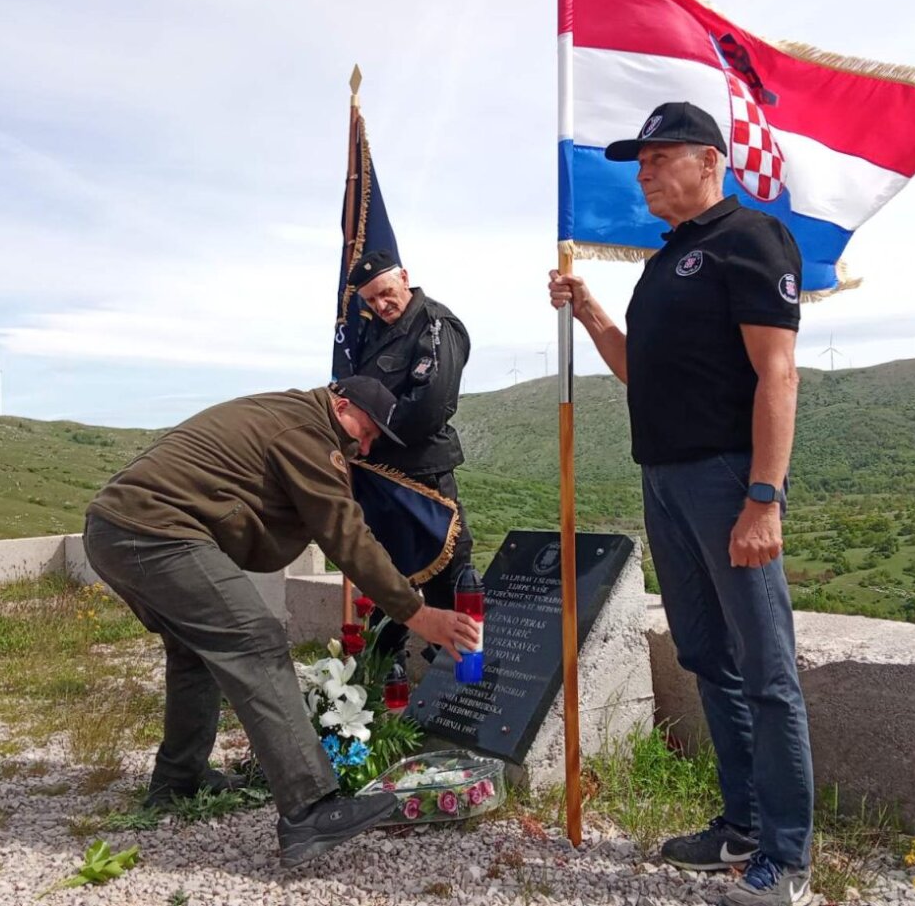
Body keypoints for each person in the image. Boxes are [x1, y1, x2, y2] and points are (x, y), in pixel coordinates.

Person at [547, 102, 815, 906]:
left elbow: (778, 373)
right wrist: (591, 310)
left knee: (766, 667)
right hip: (663, 479)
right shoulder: (666, 260)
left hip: (727, 479)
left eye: (659, 157)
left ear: (709, 160)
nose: (644, 172)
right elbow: (644, 372)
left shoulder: (751, 239)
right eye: (641, 162)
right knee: (705, 655)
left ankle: (788, 857)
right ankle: (742, 824)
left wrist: (763, 496)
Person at [83, 376, 480, 868]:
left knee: (196, 653)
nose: (365, 447)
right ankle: (310, 808)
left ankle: (178, 780)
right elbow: (345, 534)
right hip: (152, 532)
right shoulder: (307, 433)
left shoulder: (291, 417)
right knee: (257, 640)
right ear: (341, 405)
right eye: (366, 432)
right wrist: (417, 613)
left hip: (120, 529)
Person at [344, 249, 473, 661]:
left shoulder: (435, 324)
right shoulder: (371, 332)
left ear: (404, 277)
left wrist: (366, 436)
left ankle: (460, 684)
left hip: (423, 481)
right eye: (370, 300)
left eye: (386, 293)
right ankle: (383, 681)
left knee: (447, 587)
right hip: (378, 482)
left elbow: (430, 407)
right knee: (385, 585)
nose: (381, 305)